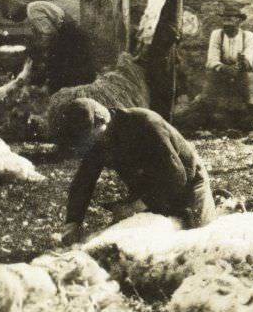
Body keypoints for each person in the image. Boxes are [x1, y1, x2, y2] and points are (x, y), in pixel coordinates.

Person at [59, 98, 216, 245]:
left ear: (101, 122)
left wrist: (135, 206)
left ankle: (220, 204)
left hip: (188, 186)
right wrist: (73, 222)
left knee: (195, 240)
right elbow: (84, 180)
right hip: (148, 193)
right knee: (127, 244)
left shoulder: (145, 123)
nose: (87, 143)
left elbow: (176, 176)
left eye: (87, 136)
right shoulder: (98, 138)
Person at [135, 0, 197, 123]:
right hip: (158, 44)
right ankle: (158, 129)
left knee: (169, 88)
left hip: (168, 44)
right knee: (161, 89)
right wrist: (145, 41)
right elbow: (152, 11)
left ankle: (164, 127)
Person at [0, 0, 96, 93]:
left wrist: (40, 54)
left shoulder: (33, 11)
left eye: (11, 17)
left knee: (67, 71)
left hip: (72, 37)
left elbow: (49, 34)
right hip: (71, 34)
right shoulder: (34, 6)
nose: (14, 20)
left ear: (13, 10)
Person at [202, 4, 253, 116]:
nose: (226, 24)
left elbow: (249, 59)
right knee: (210, 75)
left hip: (241, 71)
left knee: (249, 77)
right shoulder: (217, 34)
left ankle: (251, 110)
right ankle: (205, 110)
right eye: (224, 20)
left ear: (238, 21)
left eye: (229, 20)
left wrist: (243, 63)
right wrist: (223, 67)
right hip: (222, 70)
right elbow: (212, 59)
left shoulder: (248, 36)